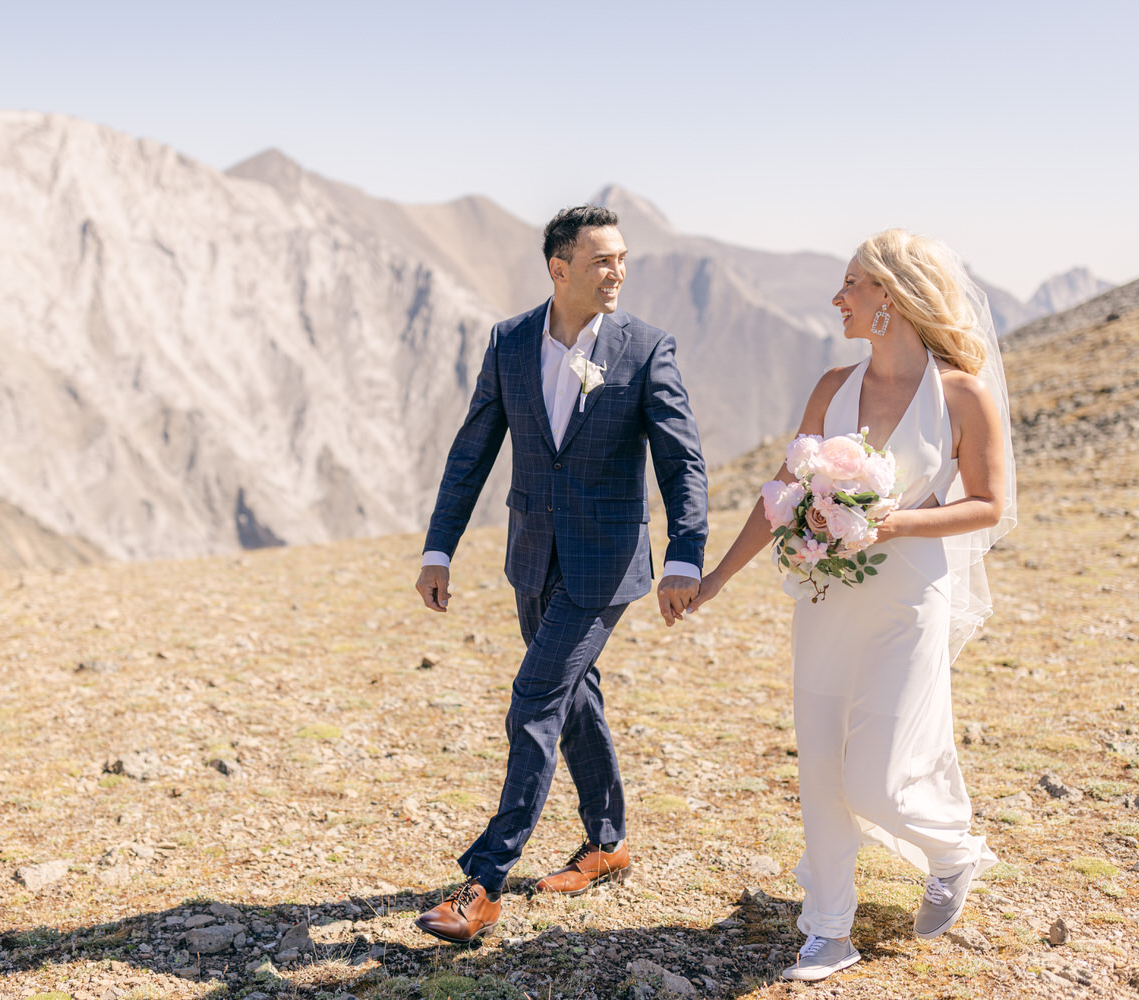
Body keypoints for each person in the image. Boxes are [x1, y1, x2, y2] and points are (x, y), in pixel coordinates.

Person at [688, 229, 1016, 981]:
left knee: (875, 777)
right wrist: (716, 579)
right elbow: (780, 495)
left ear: (889, 299)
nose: (837, 299)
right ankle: (829, 928)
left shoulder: (962, 395)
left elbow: (989, 505)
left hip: (910, 600)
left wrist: (894, 521)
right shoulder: (832, 388)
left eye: (851, 285)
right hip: (826, 600)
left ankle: (952, 850)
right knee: (821, 768)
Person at [410, 205, 709, 944]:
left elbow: (681, 458)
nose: (618, 272)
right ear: (559, 268)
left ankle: (483, 884)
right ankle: (607, 844)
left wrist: (684, 553)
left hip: (606, 565)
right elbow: (472, 448)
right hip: (531, 556)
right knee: (575, 699)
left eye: (623, 259)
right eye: (603, 260)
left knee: (534, 700)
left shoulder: (647, 347)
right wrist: (439, 547)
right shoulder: (510, 341)